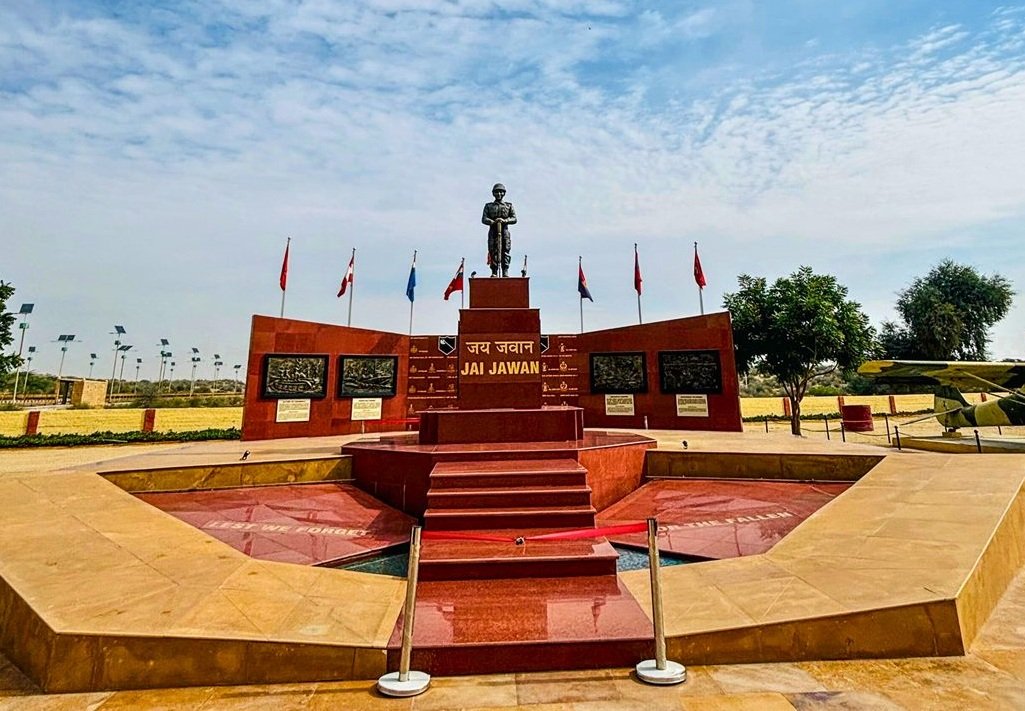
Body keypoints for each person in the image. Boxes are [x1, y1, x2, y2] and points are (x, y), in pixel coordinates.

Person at [481, 183, 517, 277]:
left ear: (504, 193)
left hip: (504, 230)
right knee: (493, 250)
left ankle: (505, 271)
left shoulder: (508, 206)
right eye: (497, 192)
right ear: (493, 193)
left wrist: (505, 220)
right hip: (493, 231)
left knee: (505, 249)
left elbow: (514, 219)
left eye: (501, 192)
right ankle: (494, 271)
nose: (499, 194)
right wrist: (493, 221)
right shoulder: (488, 206)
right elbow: (484, 219)